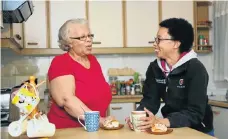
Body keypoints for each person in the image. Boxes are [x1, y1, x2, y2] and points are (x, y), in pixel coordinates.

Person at [126, 18, 214, 135]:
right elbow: (150, 101)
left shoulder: (195, 69)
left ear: (176, 44)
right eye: (155, 39)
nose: (154, 44)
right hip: (172, 127)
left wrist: (161, 121)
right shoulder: (155, 68)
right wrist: (138, 118)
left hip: (198, 130)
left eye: (159, 40)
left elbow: (195, 113)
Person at [47, 19, 113, 129]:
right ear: (69, 42)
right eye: (82, 37)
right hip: (68, 131)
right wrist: (99, 120)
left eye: (90, 36)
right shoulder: (61, 62)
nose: (89, 41)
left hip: (93, 130)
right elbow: (67, 100)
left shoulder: (93, 60)